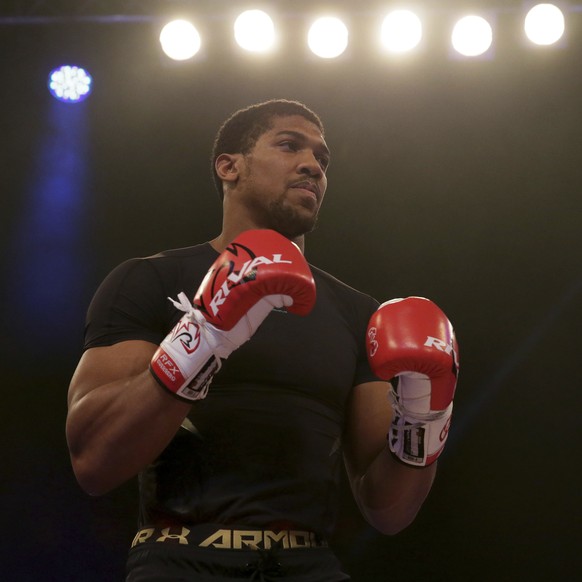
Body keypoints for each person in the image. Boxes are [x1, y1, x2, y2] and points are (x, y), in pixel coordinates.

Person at [66, 99, 459, 581]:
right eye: (290, 145)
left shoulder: (357, 313)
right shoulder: (150, 281)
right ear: (229, 166)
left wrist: (425, 413)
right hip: (178, 559)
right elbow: (93, 462)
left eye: (322, 158)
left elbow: (389, 511)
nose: (313, 165)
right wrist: (203, 333)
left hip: (308, 563)